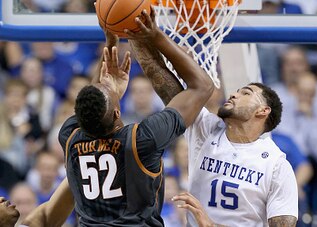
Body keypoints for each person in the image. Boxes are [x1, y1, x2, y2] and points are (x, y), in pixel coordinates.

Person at [128, 10, 298, 227]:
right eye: (237, 90)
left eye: (246, 93)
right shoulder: (207, 127)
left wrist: (211, 225)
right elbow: (161, 79)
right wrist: (138, 33)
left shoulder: (276, 165)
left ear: (263, 111)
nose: (234, 94)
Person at [56, 6, 213, 226]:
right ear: (117, 112)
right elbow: (203, 87)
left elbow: (90, 105)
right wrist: (155, 36)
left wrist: (110, 46)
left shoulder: (70, 137)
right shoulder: (141, 141)